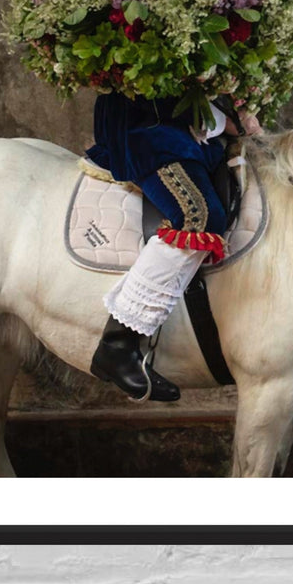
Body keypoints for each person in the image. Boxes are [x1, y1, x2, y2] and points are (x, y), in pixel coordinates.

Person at [85, 92, 261, 401]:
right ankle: (117, 344)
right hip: (150, 133)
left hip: (194, 137)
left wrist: (232, 109)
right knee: (199, 215)